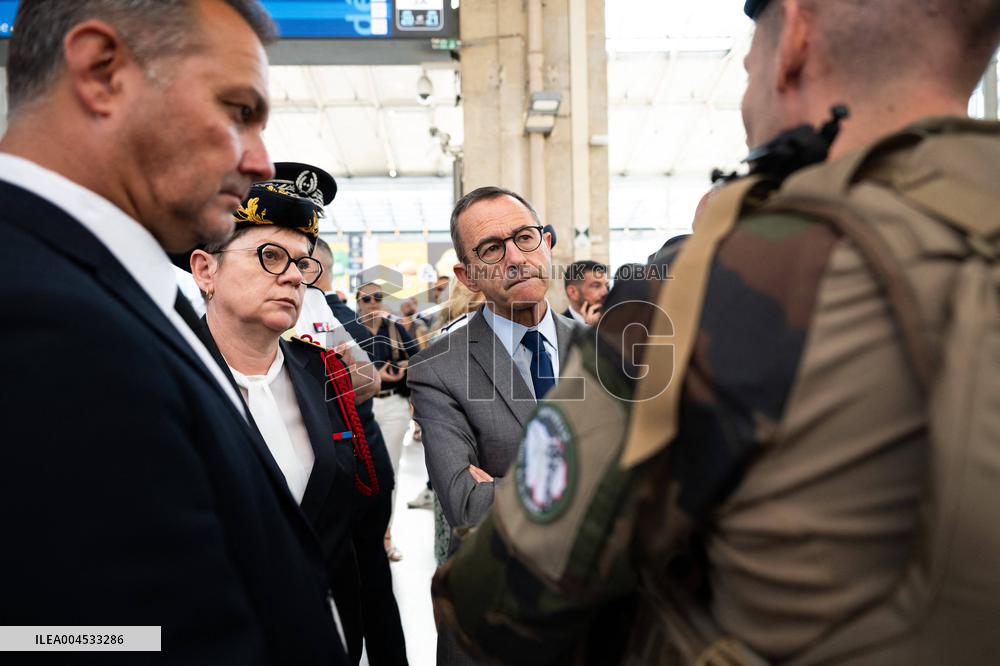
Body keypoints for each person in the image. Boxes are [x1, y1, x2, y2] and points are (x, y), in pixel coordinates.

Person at [430, 0, 1000, 663]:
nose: (750, 83)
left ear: (794, 40)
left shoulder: (737, 274)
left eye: (751, 57)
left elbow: (502, 596)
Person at [0, 0, 345, 663]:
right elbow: (91, 640)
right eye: (238, 111)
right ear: (102, 73)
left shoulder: (97, 288)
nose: (260, 162)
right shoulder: (41, 318)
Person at [187, 168, 375, 662]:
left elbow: (341, 536)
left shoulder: (322, 375)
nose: (294, 275)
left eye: (303, 263)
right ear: (206, 271)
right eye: (270, 256)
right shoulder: (165, 380)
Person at [408, 186, 579, 665]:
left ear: (547, 242)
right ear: (467, 274)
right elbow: (466, 504)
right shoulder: (438, 368)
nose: (515, 258)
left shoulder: (609, 354)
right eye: (491, 248)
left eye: (525, 238)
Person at [356, 281, 420, 562]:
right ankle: (359, 539)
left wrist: (397, 370)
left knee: (389, 473)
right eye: (366, 298)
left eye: (377, 297)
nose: (371, 302)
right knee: (357, 473)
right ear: (358, 301)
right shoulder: (348, 329)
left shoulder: (395, 329)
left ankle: (385, 536)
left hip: (393, 405)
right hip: (360, 408)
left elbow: (418, 359)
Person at [562, 259, 608, 325]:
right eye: (596, 286)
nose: (605, 292)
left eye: (607, 286)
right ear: (573, 292)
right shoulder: (557, 327)